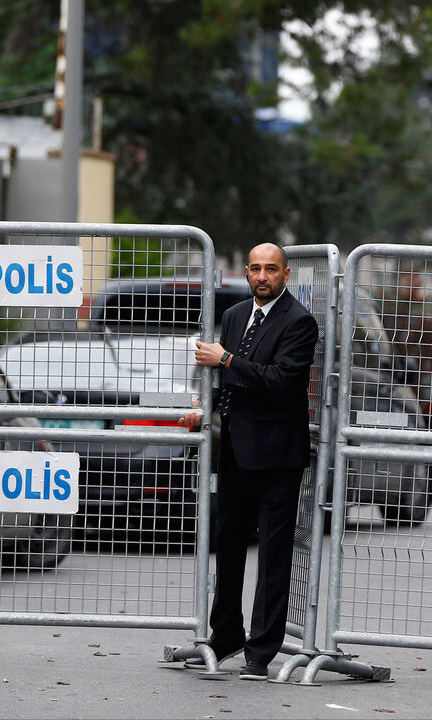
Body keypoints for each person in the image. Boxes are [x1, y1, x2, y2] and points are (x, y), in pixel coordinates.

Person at [179, 242, 318, 681]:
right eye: (256, 269)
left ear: (286, 274)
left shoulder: (300, 322)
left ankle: (261, 651)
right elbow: (231, 386)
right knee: (230, 544)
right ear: (246, 271)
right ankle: (226, 636)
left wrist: (227, 359)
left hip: (278, 455)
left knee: (274, 555)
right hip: (236, 450)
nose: (262, 276)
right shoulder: (235, 315)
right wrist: (207, 410)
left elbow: (281, 381)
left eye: (271, 269)